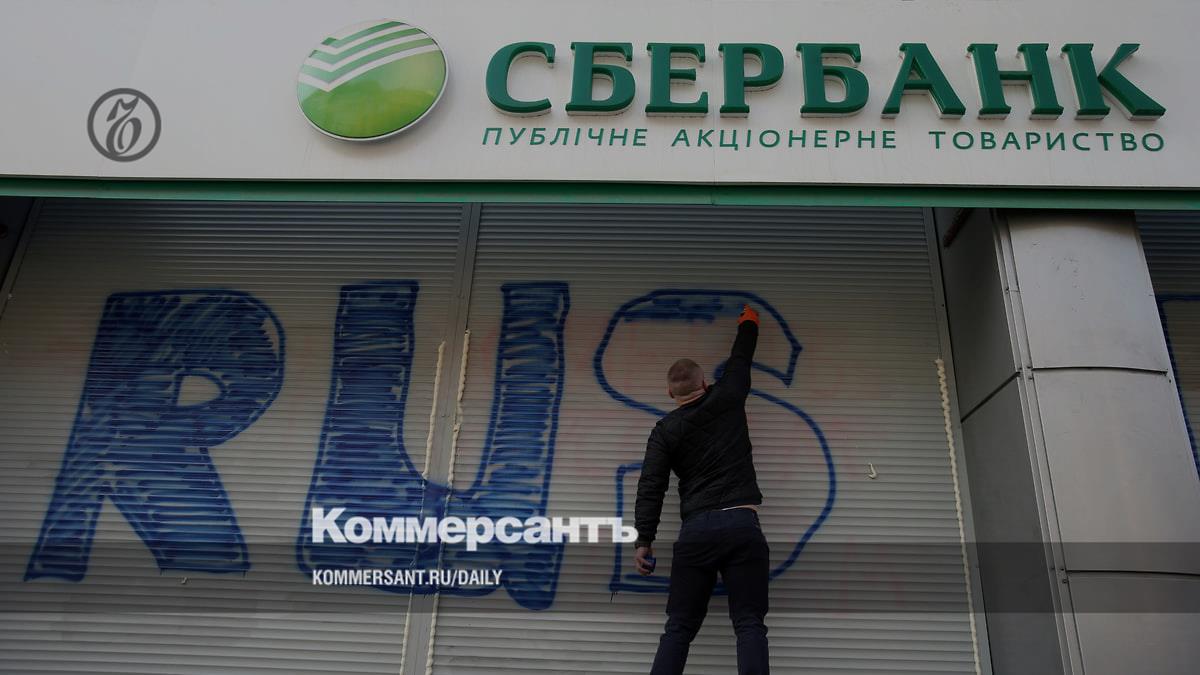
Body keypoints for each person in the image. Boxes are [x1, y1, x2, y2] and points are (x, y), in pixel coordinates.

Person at [633, 303, 770, 675]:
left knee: (679, 627)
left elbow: (651, 486)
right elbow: (741, 358)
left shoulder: (664, 431)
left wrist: (644, 540)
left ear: (670, 393)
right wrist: (749, 321)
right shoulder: (729, 396)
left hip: (696, 532)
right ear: (704, 382)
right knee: (749, 623)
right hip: (741, 523)